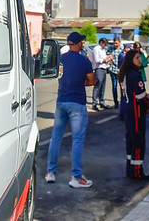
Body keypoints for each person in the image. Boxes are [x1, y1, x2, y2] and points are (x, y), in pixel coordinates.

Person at [45, 32, 95, 188]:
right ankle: (76, 177)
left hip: (61, 102)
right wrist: (80, 83)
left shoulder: (61, 59)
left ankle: (50, 172)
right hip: (77, 103)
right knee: (77, 140)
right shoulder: (84, 61)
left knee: (56, 138)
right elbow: (92, 81)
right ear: (79, 44)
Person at [119, 48, 149, 180]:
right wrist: (148, 105)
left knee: (131, 139)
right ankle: (137, 171)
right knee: (138, 140)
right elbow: (141, 95)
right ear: (131, 60)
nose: (140, 60)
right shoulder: (134, 74)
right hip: (136, 111)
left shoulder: (124, 74)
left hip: (127, 109)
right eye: (137, 58)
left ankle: (130, 168)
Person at [90, 37, 112, 111]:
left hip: (104, 68)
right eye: (104, 44)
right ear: (101, 43)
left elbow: (104, 59)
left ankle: (102, 101)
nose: (105, 46)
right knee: (98, 85)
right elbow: (97, 60)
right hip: (99, 68)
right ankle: (94, 103)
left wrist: (108, 60)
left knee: (103, 86)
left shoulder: (103, 50)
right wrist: (105, 59)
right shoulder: (96, 49)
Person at [109, 37, 124, 109]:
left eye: (116, 43)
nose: (115, 44)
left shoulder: (122, 50)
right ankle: (116, 102)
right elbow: (108, 57)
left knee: (122, 86)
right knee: (114, 86)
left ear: (119, 43)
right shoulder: (111, 49)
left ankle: (123, 101)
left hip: (120, 71)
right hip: (113, 70)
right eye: (114, 43)